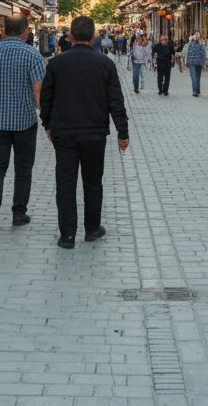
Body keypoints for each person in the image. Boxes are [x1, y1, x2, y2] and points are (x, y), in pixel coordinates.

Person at [41, 16, 130, 249]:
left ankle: (67, 235)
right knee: (93, 183)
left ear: (70, 35)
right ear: (93, 36)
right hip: (95, 134)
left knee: (65, 183)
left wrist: (47, 124)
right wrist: (123, 131)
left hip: (64, 134)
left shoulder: (57, 63)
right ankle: (92, 229)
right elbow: (116, 101)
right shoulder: (105, 64)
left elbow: (46, 98)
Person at [0, 14, 48, 230]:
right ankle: (19, 213)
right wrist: (47, 118)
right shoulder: (32, 55)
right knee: (23, 169)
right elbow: (38, 90)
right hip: (25, 122)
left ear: (4, 31)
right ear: (26, 32)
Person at [181, 32, 208, 97]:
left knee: (194, 77)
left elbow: (185, 53)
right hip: (197, 63)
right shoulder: (201, 45)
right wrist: (204, 62)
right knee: (197, 77)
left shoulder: (189, 45)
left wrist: (185, 62)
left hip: (192, 63)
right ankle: (197, 90)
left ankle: (195, 91)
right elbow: (204, 54)